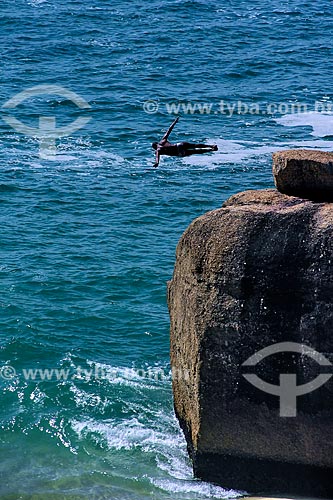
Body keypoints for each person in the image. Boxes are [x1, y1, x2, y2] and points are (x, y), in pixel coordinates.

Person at [152, 117, 218, 167]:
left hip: (179, 152)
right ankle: (211, 146)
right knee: (195, 145)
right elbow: (169, 130)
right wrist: (174, 122)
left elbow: (157, 157)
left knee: (196, 151)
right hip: (179, 145)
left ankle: (211, 150)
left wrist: (157, 163)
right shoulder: (162, 141)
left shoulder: (158, 150)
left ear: (155, 147)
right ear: (157, 143)